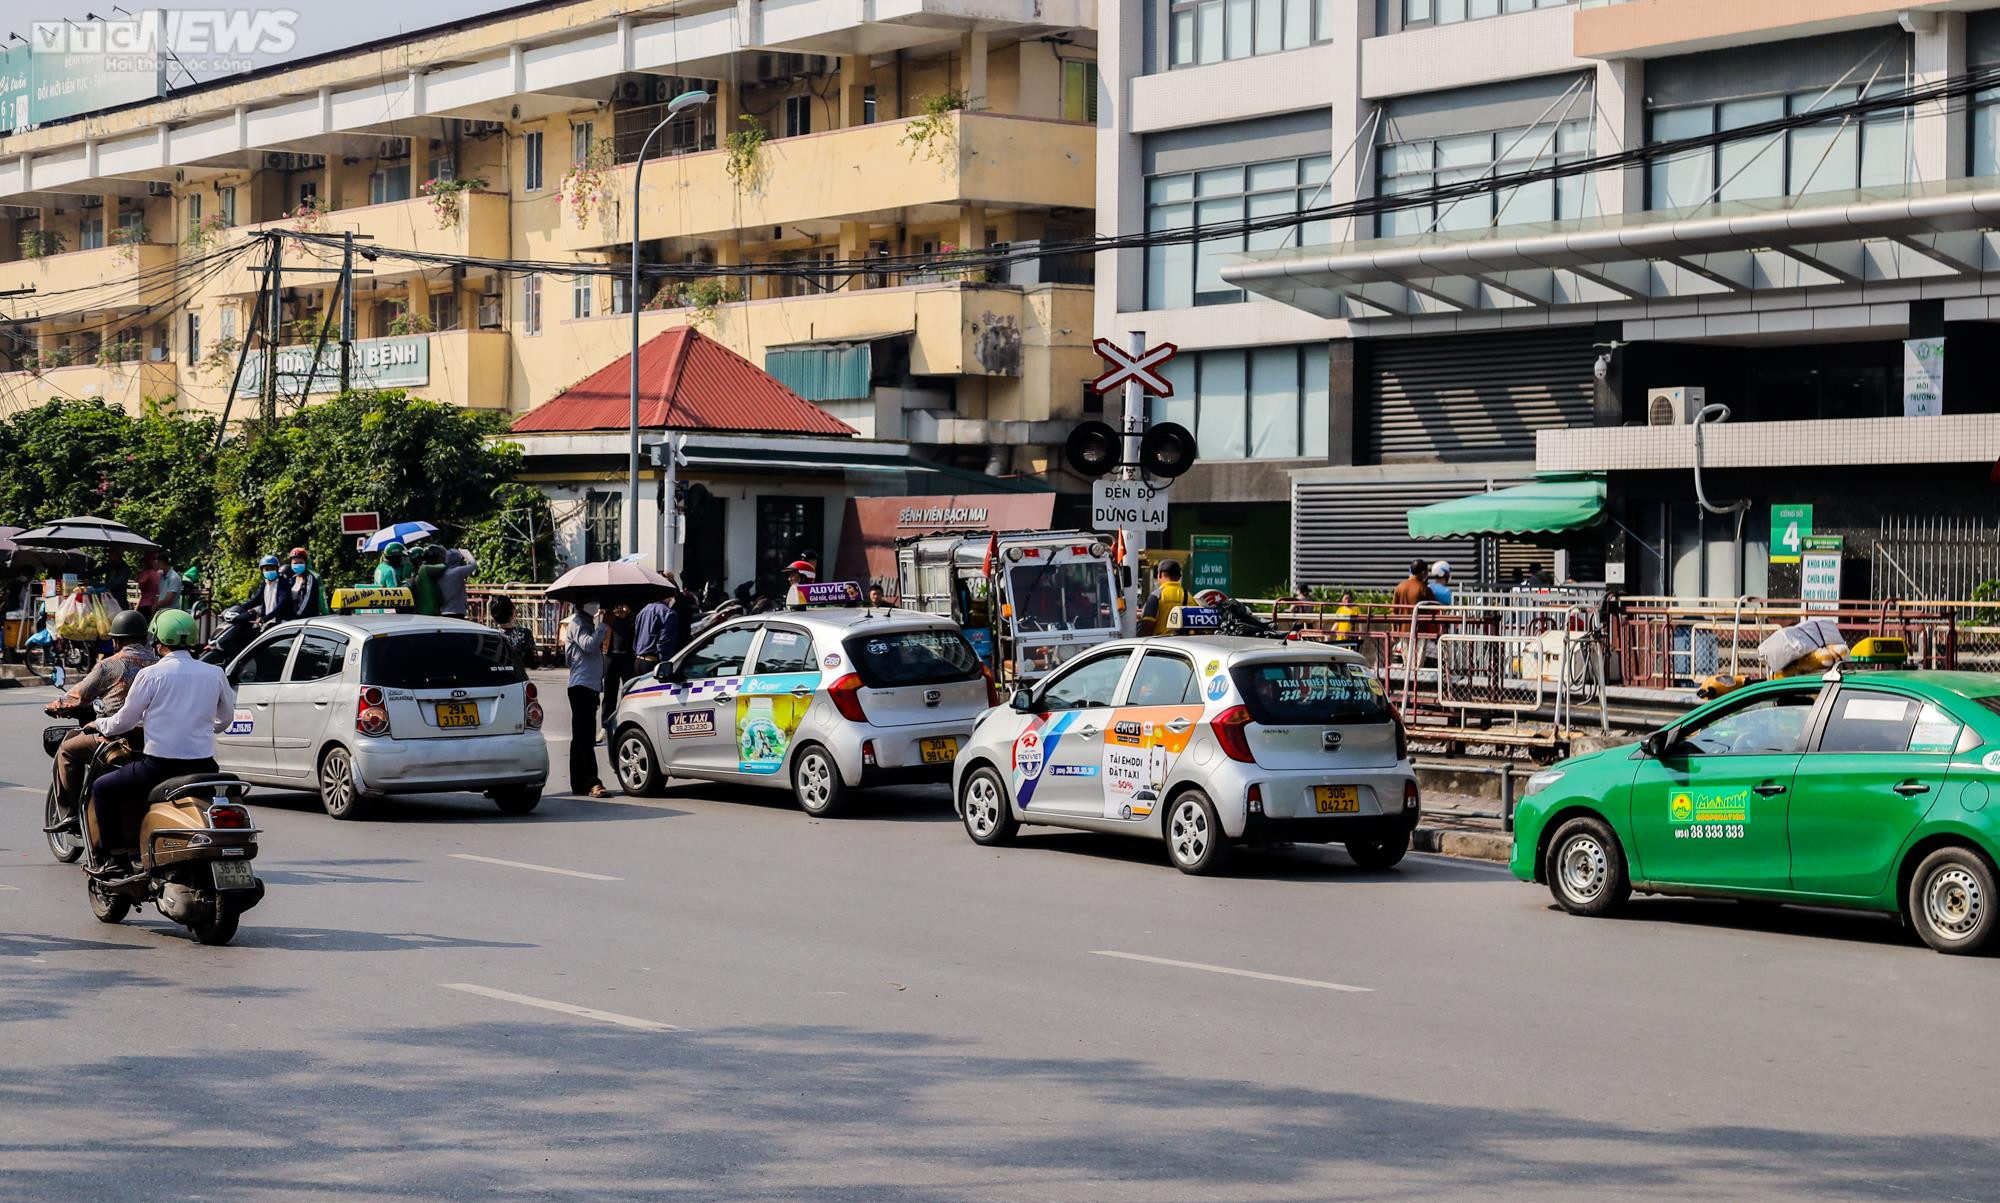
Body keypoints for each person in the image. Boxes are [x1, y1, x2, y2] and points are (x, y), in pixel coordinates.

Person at [83, 609, 235, 866]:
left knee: (102, 788)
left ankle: (113, 859)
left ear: (158, 639)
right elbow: (226, 718)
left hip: (158, 768)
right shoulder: (214, 673)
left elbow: (125, 720)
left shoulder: (152, 675)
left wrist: (99, 724)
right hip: (205, 767)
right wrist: (202, 728)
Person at [46, 609, 159, 816]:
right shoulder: (158, 664)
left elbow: (79, 695)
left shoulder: (110, 665)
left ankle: (71, 813)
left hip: (116, 737)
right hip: (150, 739)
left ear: (116, 641)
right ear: (145, 638)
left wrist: (55, 706)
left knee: (67, 750)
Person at [560, 602, 611, 798]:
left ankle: (578, 782)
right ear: (581, 604)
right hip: (581, 687)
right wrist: (604, 625)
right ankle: (592, 781)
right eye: (591, 601)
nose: (595, 605)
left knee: (581, 737)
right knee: (585, 737)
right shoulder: (578, 623)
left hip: (589, 687)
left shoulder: (587, 623)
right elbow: (589, 645)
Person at [598, 602, 636, 739]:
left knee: (630, 692)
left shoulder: (633, 616)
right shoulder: (609, 613)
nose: (620, 608)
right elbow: (602, 632)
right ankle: (605, 726)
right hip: (610, 654)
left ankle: (629, 723)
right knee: (609, 693)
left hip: (628, 656)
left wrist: (629, 613)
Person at [633, 587, 685, 676]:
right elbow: (665, 642)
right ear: (668, 597)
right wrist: (665, 664)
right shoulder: (669, 614)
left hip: (638, 661)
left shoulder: (643, 611)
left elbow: (637, 635)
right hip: (654, 663)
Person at [246, 554, 304, 625]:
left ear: (277, 569)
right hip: (267, 623)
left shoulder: (283, 584)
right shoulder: (265, 584)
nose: (269, 571)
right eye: (266, 569)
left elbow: (281, 605)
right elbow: (255, 600)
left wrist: (265, 618)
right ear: (262, 571)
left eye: (272, 568)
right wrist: (239, 608)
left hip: (280, 624)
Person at [1139, 560, 1187, 636]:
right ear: (1179, 577)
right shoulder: (1189, 596)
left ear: (1160, 574)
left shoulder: (1156, 596)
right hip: (1182, 644)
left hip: (1160, 645)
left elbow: (1147, 626)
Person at [490, 595, 538, 671]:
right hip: (517, 678)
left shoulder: (489, 635)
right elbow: (534, 663)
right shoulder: (525, 633)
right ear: (512, 613)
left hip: (495, 679)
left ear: (493, 616)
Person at [438, 548, 479, 619]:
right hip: (456, 612)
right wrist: (466, 553)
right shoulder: (458, 571)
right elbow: (474, 565)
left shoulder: (441, 573)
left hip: (443, 611)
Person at [285, 547, 323, 619]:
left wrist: (296, 616)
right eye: (295, 563)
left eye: (301, 562)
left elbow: (306, 600)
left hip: (306, 620)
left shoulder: (310, 578)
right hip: (293, 620)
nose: (298, 565)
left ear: (305, 563)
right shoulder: (292, 579)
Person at [411, 544, 447, 616]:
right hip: (428, 611)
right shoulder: (425, 568)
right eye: (440, 557)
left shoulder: (423, 568)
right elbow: (444, 566)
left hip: (430, 610)